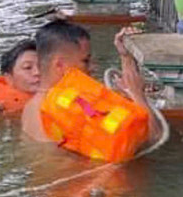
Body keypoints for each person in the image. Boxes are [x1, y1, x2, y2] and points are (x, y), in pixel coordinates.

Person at [21, 20, 163, 155]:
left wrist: (126, 57)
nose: (92, 67)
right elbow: (153, 137)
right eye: (85, 61)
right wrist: (137, 94)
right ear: (59, 65)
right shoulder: (63, 109)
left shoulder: (31, 107)